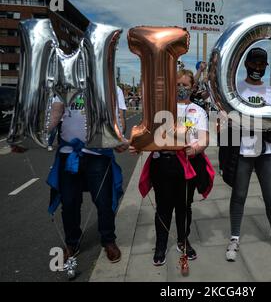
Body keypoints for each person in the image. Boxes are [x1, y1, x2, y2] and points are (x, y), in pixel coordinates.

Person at [221, 47, 271, 262]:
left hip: (268, 151)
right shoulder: (236, 89)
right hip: (243, 150)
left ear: (265, 67)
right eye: (253, 63)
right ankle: (234, 237)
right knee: (239, 195)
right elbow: (229, 118)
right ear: (246, 64)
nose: (257, 67)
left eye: (261, 64)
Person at [134, 69, 214, 266]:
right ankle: (161, 245)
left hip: (188, 164)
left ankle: (182, 240)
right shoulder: (160, 109)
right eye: (177, 84)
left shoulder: (199, 111)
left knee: (184, 206)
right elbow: (147, 135)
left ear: (192, 87)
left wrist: (195, 150)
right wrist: (138, 145)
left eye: (185, 85)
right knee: (163, 207)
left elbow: (204, 138)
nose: (181, 88)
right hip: (163, 163)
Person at [47, 88, 129, 263]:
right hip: (69, 153)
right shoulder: (64, 87)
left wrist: (119, 138)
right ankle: (72, 243)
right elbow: (52, 117)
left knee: (103, 201)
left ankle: (108, 241)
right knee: (69, 202)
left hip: (98, 154)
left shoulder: (112, 87)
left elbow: (119, 119)